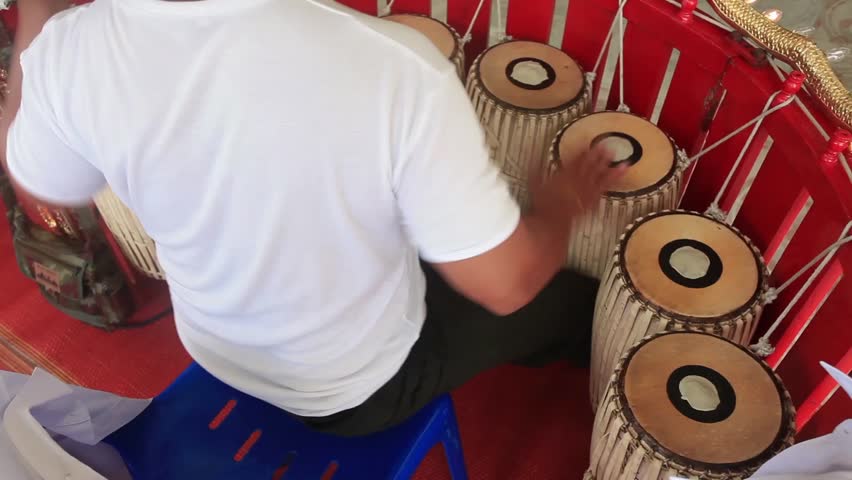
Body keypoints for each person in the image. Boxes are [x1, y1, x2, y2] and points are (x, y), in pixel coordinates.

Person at [0, 0, 623, 437]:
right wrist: (559, 203)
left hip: (214, 346)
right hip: (350, 391)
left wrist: (38, 16)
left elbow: (44, 177)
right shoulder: (394, 68)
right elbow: (507, 285)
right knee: (566, 299)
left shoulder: (68, 50)